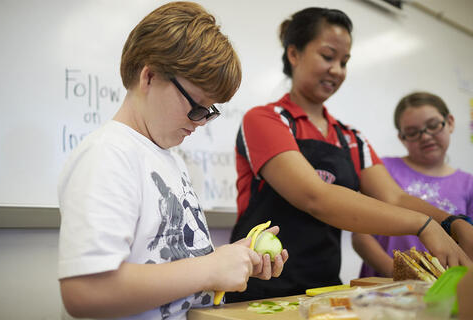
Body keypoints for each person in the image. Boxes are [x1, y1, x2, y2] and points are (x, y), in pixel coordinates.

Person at [57, 2, 288, 319]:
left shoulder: (170, 159)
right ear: (149, 76)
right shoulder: (108, 154)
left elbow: (170, 267)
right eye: (196, 106)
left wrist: (230, 259)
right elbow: (84, 291)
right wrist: (209, 268)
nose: (200, 121)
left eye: (210, 111)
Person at [226, 7, 473, 303]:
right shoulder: (266, 119)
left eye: (344, 62)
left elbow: (393, 197)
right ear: (294, 54)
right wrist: (422, 225)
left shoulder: (350, 138)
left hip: (323, 290)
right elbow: (314, 196)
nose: (338, 70)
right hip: (259, 291)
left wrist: (452, 222)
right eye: (328, 57)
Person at [352, 92, 473, 278]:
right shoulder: (381, 170)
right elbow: (361, 237)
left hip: (444, 288)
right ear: (401, 137)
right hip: (384, 287)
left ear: (450, 122)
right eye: (412, 132)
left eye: (433, 126)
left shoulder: (468, 184)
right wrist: (397, 272)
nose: (425, 137)